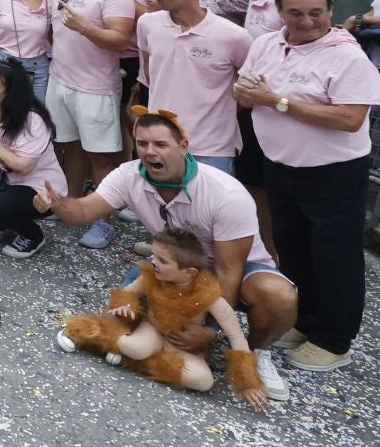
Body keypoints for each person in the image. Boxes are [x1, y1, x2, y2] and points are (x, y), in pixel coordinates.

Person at [35, 108, 296, 402]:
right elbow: (82, 211)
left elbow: (227, 271)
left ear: (183, 146)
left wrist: (208, 331)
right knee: (128, 313)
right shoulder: (129, 175)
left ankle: (254, 351)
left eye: (160, 144)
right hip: (173, 269)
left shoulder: (226, 195)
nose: (149, 152)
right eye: (142, 143)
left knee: (279, 296)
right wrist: (57, 203)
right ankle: (118, 339)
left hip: (235, 266)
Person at [234, 0, 380, 372]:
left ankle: (334, 339)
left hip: (334, 172)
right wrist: (247, 94)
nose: (307, 21)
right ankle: (303, 320)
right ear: (280, 12)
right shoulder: (266, 43)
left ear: (330, 11)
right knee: (293, 247)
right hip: (281, 164)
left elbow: (350, 118)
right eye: (295, 13)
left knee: (335, 256)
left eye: (316, 13)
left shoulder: (347, 57)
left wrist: (276, 101)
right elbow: (243, 90)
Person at [55, 227, 268, 409]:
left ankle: (126, 358)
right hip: (153, 331)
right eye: (153, 256)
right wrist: (126, 306)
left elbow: (237, 337)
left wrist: (247, 381)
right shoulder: (151, 277)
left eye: (162, 260)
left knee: (204, 382)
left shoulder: (210, 296)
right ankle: (80, 330)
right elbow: (127, 293)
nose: (153, 262)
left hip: (184, 345)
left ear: (189, 273)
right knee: (135, 347)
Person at [46, 0, 136, 250]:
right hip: (60, 80)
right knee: (69, 147)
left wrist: (85, 27)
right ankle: (72, 205)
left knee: (101, 157)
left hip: (95, 88)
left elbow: (121, 40)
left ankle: (102, 221)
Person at [135, 0, 258, 174]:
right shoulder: (147, 23)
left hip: (213, 150)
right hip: (159, 145)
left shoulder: (234, 36)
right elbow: (149, 71)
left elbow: (250, 86)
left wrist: (220, 112)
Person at [0, 60, 66, 258]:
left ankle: (33, 236)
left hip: (39, 188)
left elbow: (23, 166)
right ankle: (5, 221)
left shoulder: (32, 120)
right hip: (6, 179)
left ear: (11, 90)